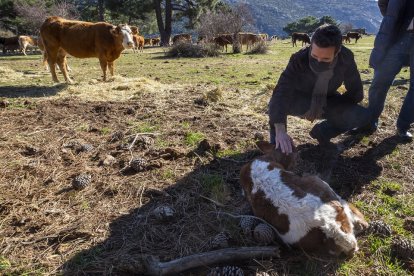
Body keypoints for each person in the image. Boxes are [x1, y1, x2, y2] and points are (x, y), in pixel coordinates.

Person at [268, 24, 370, 154]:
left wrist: (335, 110)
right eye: (315, 56)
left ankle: (322, 131)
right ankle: (277, 146)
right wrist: (280, 130)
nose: (319, 61)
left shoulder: (346, 58)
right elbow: (281, 93)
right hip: (298, 100)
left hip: (328, 100)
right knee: (275, 107)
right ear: (311, 46)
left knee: (362, 115)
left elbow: (356, 93)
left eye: (326, 59)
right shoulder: (298, 59)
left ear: (337, 52)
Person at [353, 0, 414, 140]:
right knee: (380, 82)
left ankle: (403, 127)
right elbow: (383, 2)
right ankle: (369, 122)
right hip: (397, 36)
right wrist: (394, 18)